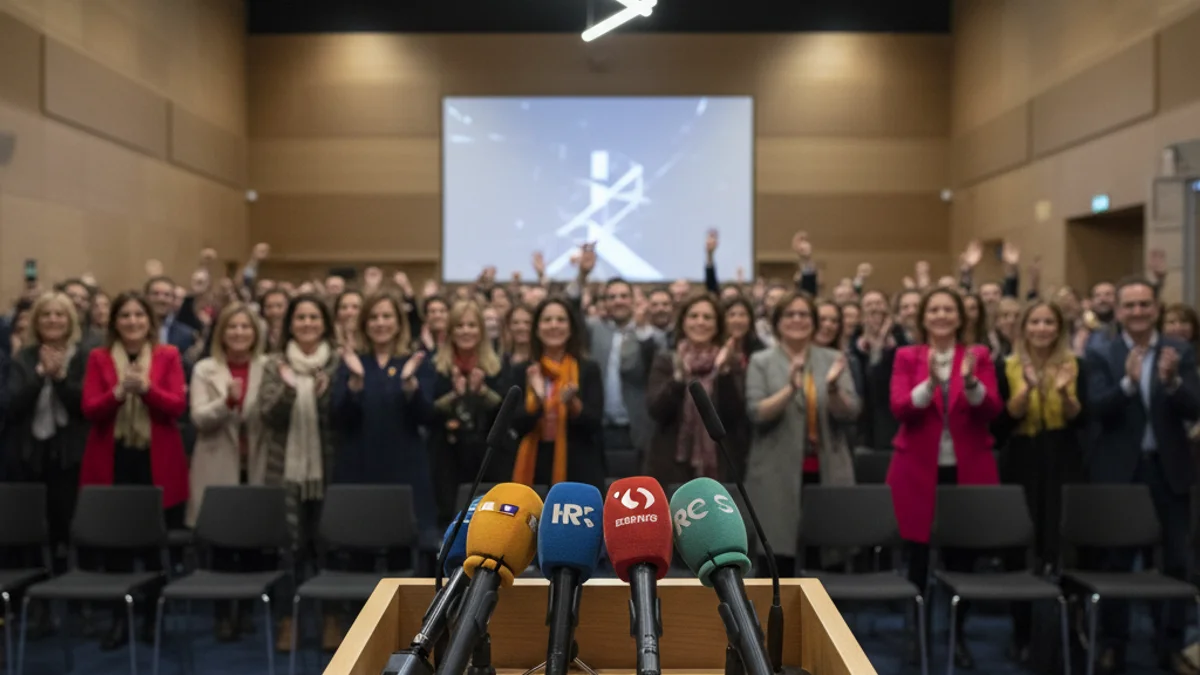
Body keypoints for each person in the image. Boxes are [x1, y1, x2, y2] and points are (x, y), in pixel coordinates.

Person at [1085, 278, 1200, 673]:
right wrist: (1128, 385)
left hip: (1168, 470)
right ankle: (1113, 644)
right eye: (1129, 305)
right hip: (1120, 473)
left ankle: (1169, 644)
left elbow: (1195, 408)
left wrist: (1172, 384)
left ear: (1156, 309)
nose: (1137, 312)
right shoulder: (1102, 353)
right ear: (1117, 312)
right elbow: (1095, 409)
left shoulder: (1180, 351)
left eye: (1144, 305)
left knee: (1176, 562)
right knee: (1116, 563)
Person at [888, 287, 1002, 669]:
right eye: (933, 309)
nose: (940, 315)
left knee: (962, 557)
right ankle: (916, 633)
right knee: (916, 555)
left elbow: (991, 409)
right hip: (917, 469)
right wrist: (931, 384)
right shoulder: (907, 356)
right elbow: (901, 408)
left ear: (959, 316)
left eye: (947, 309)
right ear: (922, 317)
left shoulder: (978, 355)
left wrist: (969, 382)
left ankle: (958, 634)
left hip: (967, 467)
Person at [80, 291, 189, 648]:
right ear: (115, 323)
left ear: (149, 321)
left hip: (156, 462)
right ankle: (119, 619)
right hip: (113, 462)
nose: (132, 322)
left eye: (139, 316)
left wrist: (146, 390)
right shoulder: (98, 357)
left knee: (156, 546)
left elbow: (176, 406)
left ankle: (150, 619)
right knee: (116, 549)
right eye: (124, 316)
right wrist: (115, 394)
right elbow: (89, 409)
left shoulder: (167, 355)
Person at [993, 300, 1086, 665]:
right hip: (1021, 460)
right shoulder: (1008, 367)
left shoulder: (1077, 365)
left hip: (1063, 460)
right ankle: (1022, 633)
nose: (1042, 328)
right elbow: (999, 426)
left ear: (1059, 328)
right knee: (1021, 548)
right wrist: (1025, 392)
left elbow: (1083, 421)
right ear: (1024, 327)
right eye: (1035, 322)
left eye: (1049, 322)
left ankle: (1063, 634)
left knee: (1060, 546)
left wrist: (1064, 393)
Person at [744, 291, 860, 574]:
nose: (797, 320)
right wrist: (790, 389)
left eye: (804, 314)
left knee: (827, 556)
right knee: (777, 557)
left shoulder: (832, 358)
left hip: (827, 467)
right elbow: (756, 413)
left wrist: (832, 388)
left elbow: (851, 412)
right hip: (775, 471)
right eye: (790, 315)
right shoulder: (762, 361)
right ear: (776, 322)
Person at [257, 294, 341, 652]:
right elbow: (267, 415)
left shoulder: (338, 363)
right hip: (285, 473)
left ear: (324, 323)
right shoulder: (274, 363)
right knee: (288, 549)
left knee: (327, 546)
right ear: (290, 323)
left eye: (314, 317)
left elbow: (345, 418)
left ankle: (330, 619)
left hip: (329, 471)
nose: (307, 323)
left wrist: (325, 397)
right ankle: (287, 622)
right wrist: (290, 389)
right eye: (300, 317)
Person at [187, 303, 268, 641]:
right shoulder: (206, 368)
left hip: (258, 465)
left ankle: (247, 611)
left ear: (255, 333)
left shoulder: (269, 366)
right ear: (222, 333)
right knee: (220, 545)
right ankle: (223, 614)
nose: (239, 333)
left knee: (253, 542)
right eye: (232, 327)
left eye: (245, 327)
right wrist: (227, 402)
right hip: (218, 463)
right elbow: (199, 418)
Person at [644, 293, 746, 485]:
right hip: (672, 463)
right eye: (693, 316)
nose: (700, 322)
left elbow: (734, 416)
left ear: (717, 325)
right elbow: (656, 410)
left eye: (707, 317)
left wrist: (723, 372)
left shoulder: (730, 362)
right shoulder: (666, 360)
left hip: (719, 464)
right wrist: (679, 379)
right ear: (683, 322)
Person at [510, 298, 604, 489]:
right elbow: (516, 425)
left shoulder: (587, 369)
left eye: (561, 320)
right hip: (534, 466)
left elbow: (594, 423)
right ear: (536, 329)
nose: (554, 325)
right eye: (547, 320)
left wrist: (573, 404)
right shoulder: (524, 371)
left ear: (571, 328)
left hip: (578, 469)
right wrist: (537, 399)